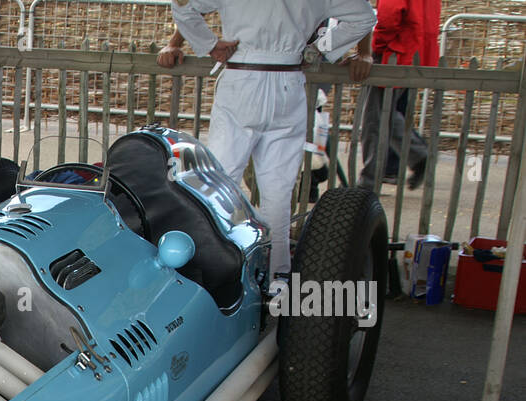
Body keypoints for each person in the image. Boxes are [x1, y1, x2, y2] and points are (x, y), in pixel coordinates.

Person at [165, 1, 376, 277]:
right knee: (277, 192)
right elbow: (363, 18)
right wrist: (320, 49)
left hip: (241, 79)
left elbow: (183, 7)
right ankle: (276, 277)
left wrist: (210, 44)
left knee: (220, 185)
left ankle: (216, 269)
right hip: (288, 82)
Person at [358, 0, 441, 192]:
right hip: (414, 50)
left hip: (395, 50)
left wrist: (374, 46)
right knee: (385, 114)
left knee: (375, 118)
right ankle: (418, 155)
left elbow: (389, 15)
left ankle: (370, 181)